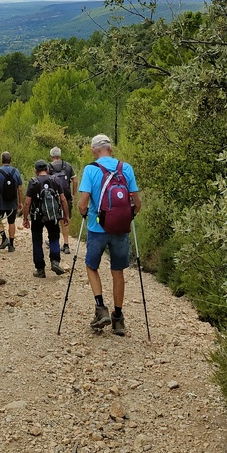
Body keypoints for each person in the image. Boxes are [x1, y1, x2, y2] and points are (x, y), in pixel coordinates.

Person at [77, 134, 141, 336]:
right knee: (117, 271)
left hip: (97, 229)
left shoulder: (91, 169)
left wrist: (83, 212)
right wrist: (126, 217)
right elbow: (137, 203)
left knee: (91, 266)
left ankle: (100, 308)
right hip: (120, 229)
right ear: (110, 149)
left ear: (93, 150)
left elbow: (83, 204)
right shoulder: (126, 168)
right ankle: (118, 319)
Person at [23, 160, 68, 278]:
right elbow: (63, 199)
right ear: (47, 169)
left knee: (37, 241)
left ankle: (40, 269)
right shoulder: (55, 180)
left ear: (35, 170)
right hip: (53, 215)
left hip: (37, 216)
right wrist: (66, 216)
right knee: (54, 237)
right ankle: (55, 261)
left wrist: (25, 218)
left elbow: (27, 203)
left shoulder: (33, 182)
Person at [0, 152, 23, 251]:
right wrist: (20, 202)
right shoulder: (16, 171)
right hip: (13, 202)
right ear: (10, 160)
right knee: (11, 222)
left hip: (0, 202)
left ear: (2, 160)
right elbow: (20, 189)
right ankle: (11, 245)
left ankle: (4, 238)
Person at [48, 146, 76, 254]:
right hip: (66, 196)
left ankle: (54, 242)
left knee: (54, 220)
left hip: (54, 198)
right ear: (60, 155)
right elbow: (75, 180)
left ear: (51, 156)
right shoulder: (67, 166)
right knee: (65, 220)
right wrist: (73, 194)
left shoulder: (49, 167)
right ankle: (66, 244)